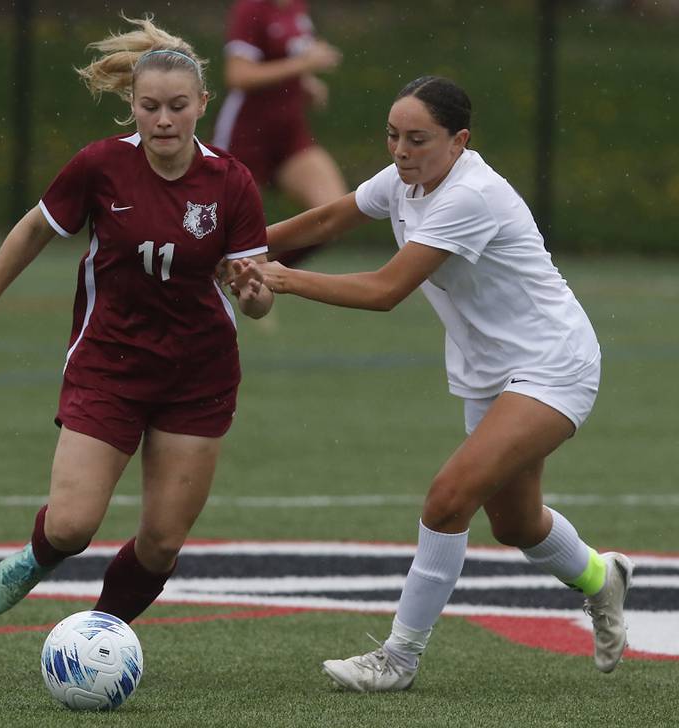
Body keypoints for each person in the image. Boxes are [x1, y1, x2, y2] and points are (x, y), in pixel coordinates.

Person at [238, 75, 634, 692]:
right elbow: (330, 218)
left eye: (417, 139)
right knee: (517, 523)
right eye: (393, 136)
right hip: (488, 373)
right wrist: (233, 248)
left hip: (554, 363)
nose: (400, 151)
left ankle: (398, 658)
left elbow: (384, 290)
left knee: (448, 499)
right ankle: (599, 577)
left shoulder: (468, 195)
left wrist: (281, 277)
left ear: (459, 141)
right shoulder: (404, 180)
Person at [0, 15, 273, 624]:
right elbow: (35, 228)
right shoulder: (100, 166)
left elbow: (258, 294)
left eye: (177, 106)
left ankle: (99, 634)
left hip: (199, 374)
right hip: (109, 362)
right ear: (132, 108)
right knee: (72, 525)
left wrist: (254, 293)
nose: (163, 119)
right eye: (149, 106)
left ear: (201, 107)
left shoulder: (231, 182)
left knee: (162, 542)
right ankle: (38, 556)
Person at [212, 0, 348, 265]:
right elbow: (238, 75)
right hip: (246, 136)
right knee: (212, 231)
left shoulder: (298, 6)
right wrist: (301, 65)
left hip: (289, 134)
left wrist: (306, 83)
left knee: (334, 215)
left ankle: (264, 273)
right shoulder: (251, 8)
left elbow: (285, 56)